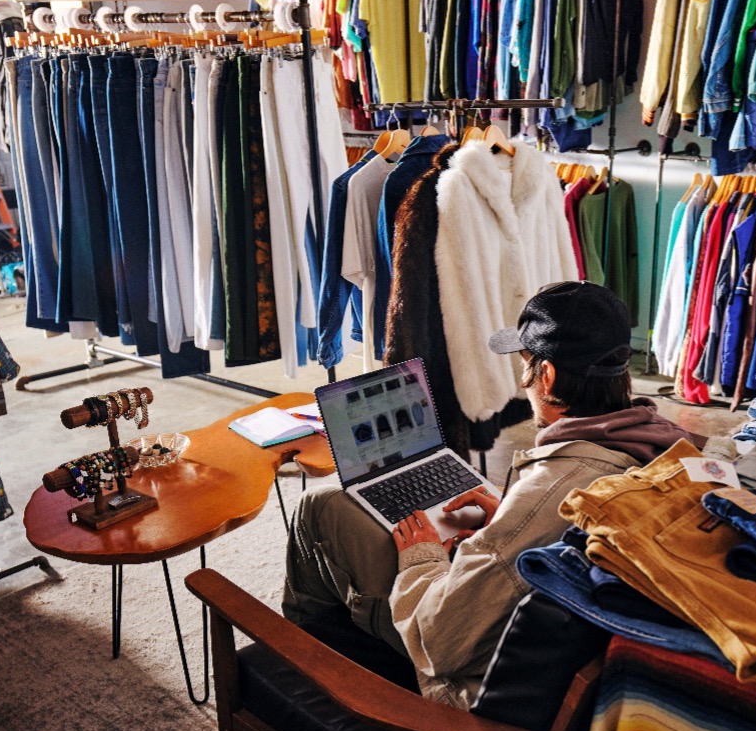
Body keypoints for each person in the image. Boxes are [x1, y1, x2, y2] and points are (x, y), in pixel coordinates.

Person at [282, 281, 701, 707]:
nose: (523, 381)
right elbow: (546, 530)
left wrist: (423, 557)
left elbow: (437, 641)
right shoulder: (668, 448)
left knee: (319, 507)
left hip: (473, 686)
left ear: (547, 375)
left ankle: (296, 671)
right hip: (555, 649)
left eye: (525, 365)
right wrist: (509, 520)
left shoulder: (548, 490)